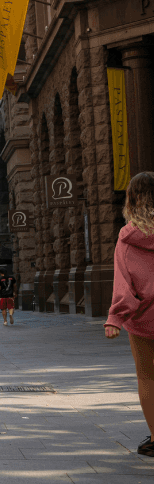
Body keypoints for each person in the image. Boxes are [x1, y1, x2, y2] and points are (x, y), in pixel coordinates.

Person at [106, 172, 154, 457]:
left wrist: (115, 319)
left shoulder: (127, 240)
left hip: (143, 319)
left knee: (147, 377)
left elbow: (123, 286)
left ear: (131, 199)